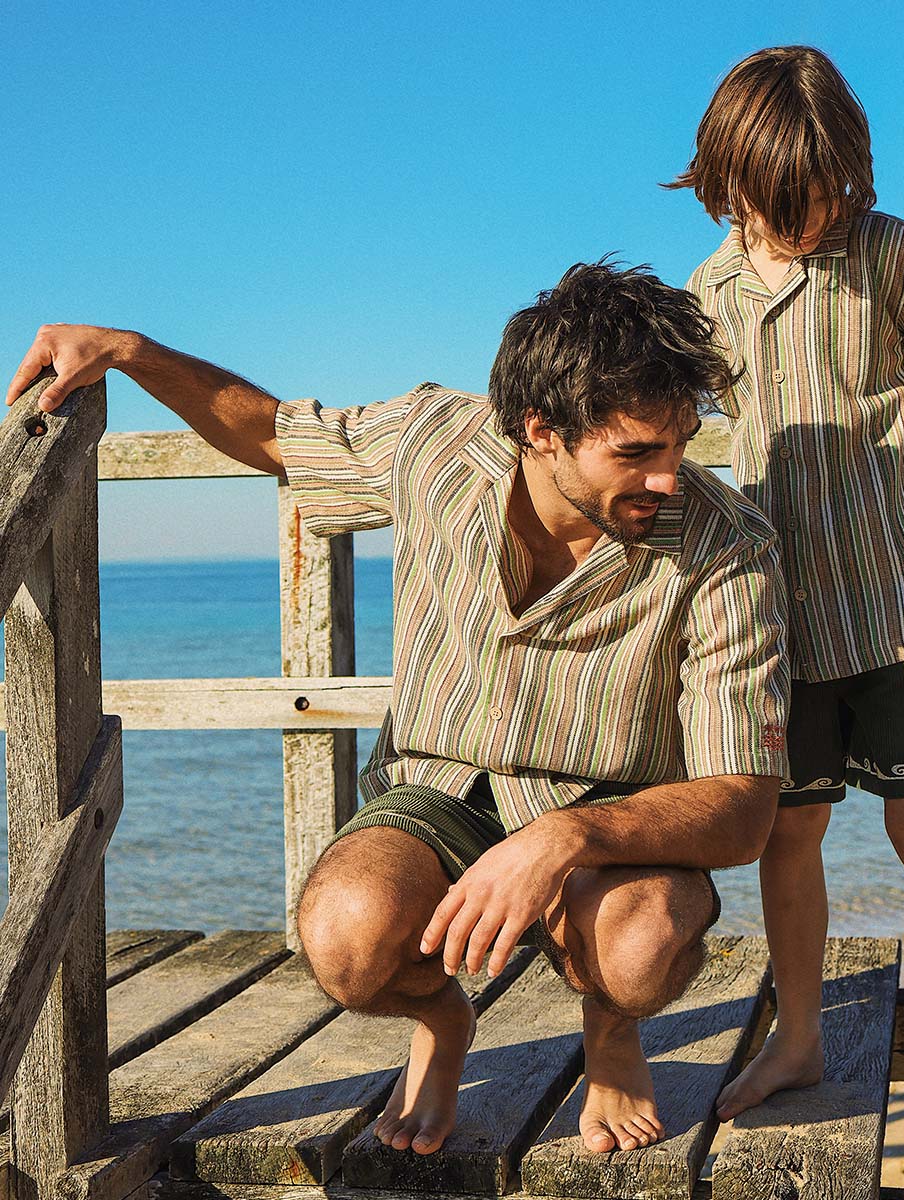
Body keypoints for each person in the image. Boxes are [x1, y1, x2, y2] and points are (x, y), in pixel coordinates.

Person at [7, 261, 791, 1157]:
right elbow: (273, 436)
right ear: (539, 431)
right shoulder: (432, 443)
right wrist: (130, 353)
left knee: (643, 947)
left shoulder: (730, 548)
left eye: (681, 443)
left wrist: (568, 836)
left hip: (611, 820)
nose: (669, 477)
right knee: (344, 938)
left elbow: (745, 805)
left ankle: (608, 1029)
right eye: (636, 453)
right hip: (437, 785)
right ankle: (441, 1017)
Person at [667, 45, 904, 1184]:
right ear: (729, 179)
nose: (816, 221)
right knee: (788, 830)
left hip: (898, 597)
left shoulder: (903, 256)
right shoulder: (702, 300)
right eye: (788, 202)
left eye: (832, 196)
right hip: (773, 619)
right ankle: (801, 1039)